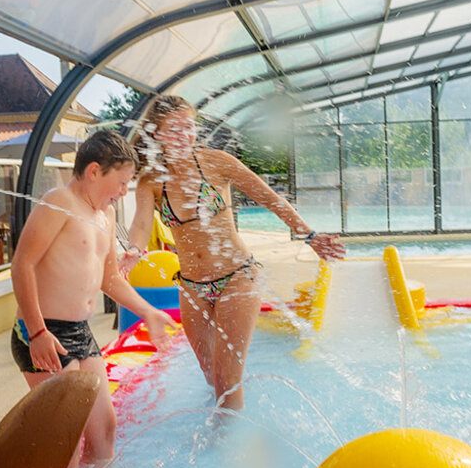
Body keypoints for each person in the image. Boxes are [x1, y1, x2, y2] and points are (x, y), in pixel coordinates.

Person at [120, 95, 345, 410]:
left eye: (188, 127)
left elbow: (269, 198)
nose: (184, 135)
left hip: (237, 276)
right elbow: (142, 223)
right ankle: (230, 422)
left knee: (227, 379)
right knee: (210, 375)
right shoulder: (151, 181)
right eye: (174, 129)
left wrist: (310, 235)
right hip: (192, 287)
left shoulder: (216, 162)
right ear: (156, 134)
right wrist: (134, 249)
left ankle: (226, 438)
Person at [11, 130, 175, 463]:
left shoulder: (105, 215)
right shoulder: (60, 202)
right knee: (67, 437)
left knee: (104, 428)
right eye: (122, 182)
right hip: (43, 332)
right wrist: (37, 332)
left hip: (80, 332)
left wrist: (148, 311)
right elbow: (22, 265)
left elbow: (109, 278)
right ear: (94, 171)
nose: (124, 191)